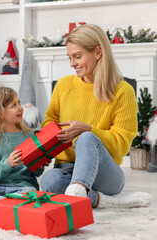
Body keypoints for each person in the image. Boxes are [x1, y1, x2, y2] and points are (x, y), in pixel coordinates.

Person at [40, 24, 151, 208]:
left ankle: (79, 189)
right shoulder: (63, 85)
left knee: (86, 137)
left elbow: (122, 145)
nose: (72, 64)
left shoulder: (123, 91)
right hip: (66, 168)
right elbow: (49, 121)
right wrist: (47, 146)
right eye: (69, 57)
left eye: (77, 56)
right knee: (50, 182)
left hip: (105, 173)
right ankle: (104, 201)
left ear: (98, 52)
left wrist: (87, 129)